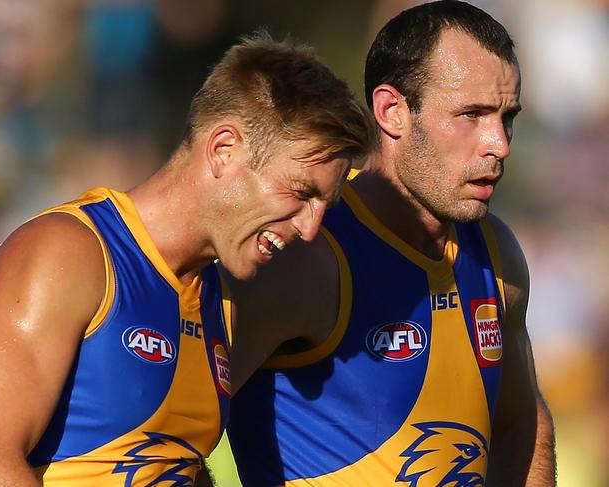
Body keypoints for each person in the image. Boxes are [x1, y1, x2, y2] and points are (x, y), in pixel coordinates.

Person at [0, 33, 376, 486]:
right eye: (301, 192)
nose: (310, 228)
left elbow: (167, 464)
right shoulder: (68, 253)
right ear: (223, 149)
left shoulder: (218, 297)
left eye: (323, 206)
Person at [221, 2, 556, 486]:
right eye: (472, 115)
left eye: (507, 117)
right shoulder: (307, 255)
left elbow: (522, 426)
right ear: (392, 111)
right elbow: (171, 429)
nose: (499, 144)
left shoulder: (497, 254)